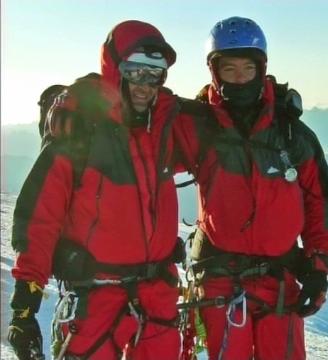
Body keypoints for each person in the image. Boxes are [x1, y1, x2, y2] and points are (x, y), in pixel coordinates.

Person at [7, 20, 198, 360]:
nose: (145, 84)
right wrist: (25, 303)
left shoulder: (166, 127)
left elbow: (224, 140)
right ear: (115, 68)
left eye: (155, 74)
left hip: (156, 295)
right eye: (136, 71)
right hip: (95, 296)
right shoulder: (81, 130)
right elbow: (41, 218)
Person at [174, 16, 328, 360]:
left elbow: (317, 204)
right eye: (229, 70)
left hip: (279, 279)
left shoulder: (292, 134)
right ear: (214, 72)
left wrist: (317, 267)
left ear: (261, 69)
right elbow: (144, 153)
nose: (239, 79)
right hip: (219, 276)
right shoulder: (196, 126)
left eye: (247, 69)